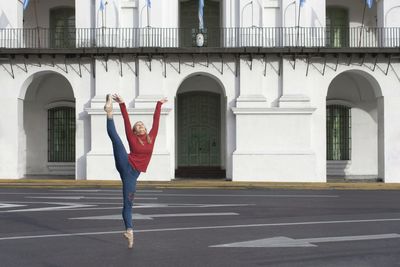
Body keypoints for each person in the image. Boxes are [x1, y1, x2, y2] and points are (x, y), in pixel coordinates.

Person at [104, 93, 167, 248]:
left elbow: (156, 121)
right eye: (137, 125)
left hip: (132, 175)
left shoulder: (151, 136)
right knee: (116, 140)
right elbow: (126, 120)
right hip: (126, 163)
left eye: (142, 125)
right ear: (134, 130)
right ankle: (109, 112)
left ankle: (129, 231)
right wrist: (122, 104)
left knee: (128, 204)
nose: (140, 126)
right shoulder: (132, 137)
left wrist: (159, 104)